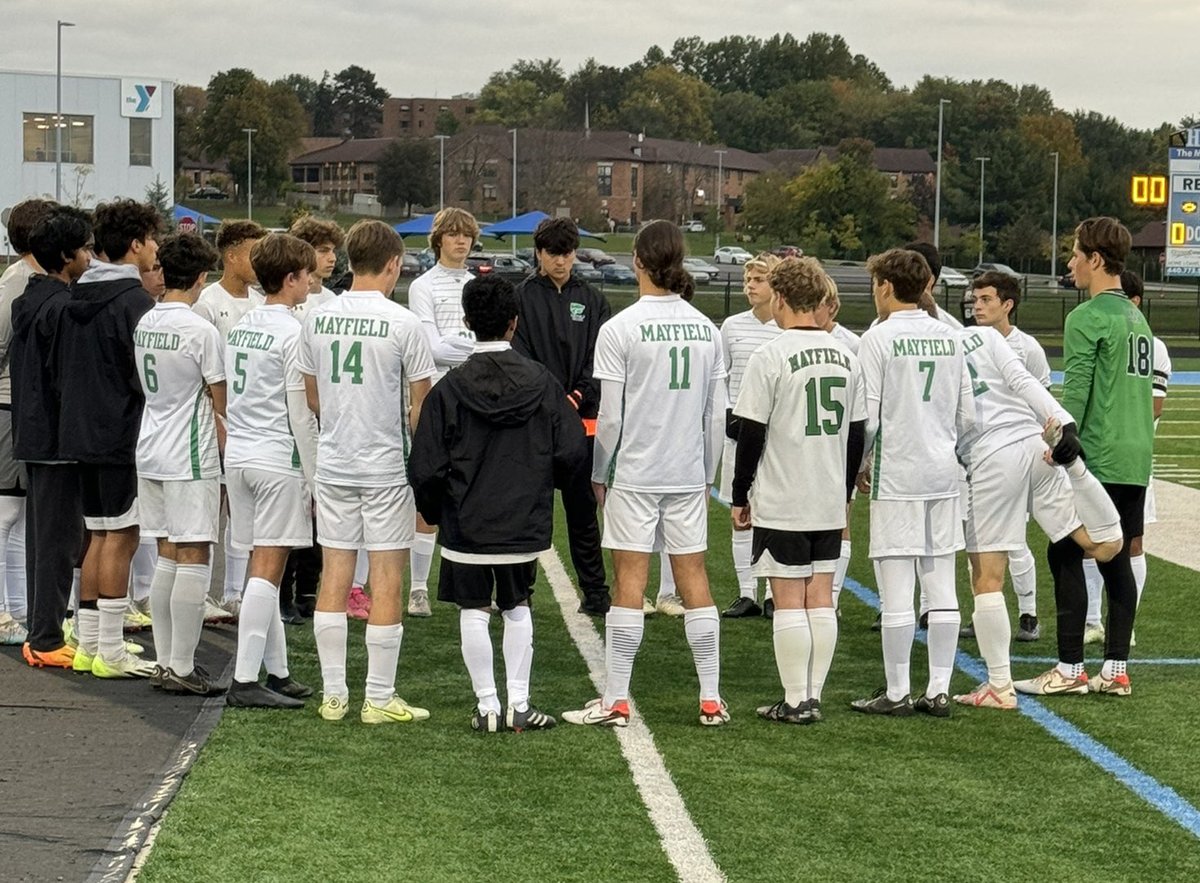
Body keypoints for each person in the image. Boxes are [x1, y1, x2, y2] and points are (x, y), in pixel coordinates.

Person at [563, 220, 727, 728]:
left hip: (635, 472)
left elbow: (609, 416)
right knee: (693, 578)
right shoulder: (707, 329)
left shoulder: (620, 328)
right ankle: (711, 699)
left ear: (637, 260)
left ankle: (616, 699)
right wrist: (706, 475)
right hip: (684, 473)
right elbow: (715, 414)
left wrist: (599, 470)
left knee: (629, 581)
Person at [410, 274, 586, 732]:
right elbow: (571, 451)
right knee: (517, 605)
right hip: (521, 521)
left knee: (472, 608)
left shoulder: (448, 389)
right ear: (514, 322)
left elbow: (424, 465)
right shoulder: (542, 382)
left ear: (467, 322)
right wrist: (548, 492)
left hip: (466, 520)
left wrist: (437, 512)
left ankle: (488, 705)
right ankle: (519, 705)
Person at [298, 219, 436, 724]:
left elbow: (311, 396)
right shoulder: (404, 323)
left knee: (335, 572)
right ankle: (377, 697)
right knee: (385, 577)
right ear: (395, 265)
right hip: (384, 467)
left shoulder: (316, 317)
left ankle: (334, 695)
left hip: (334, 461)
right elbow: (421, 405)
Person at [951, 322, 1123, 710]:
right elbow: (1024, 381)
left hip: (991, 454)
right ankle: (1077, 468)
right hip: (1035, 442)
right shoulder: (988, 336)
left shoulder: (933, 346)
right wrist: (1065, 427)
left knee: (987, 578)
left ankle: (998, 686)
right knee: (1102, 545)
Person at [1015, 218, 1152, 698]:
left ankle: (1070, 668)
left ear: (1096, 259)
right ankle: (1115, 670)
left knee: (1064, 550)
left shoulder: (1088, 316)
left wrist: (1061, 445)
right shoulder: (1137, 316)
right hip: (1137, 456)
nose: (1069, 262)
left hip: (1102, 456)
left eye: (1075, 253)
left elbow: (1077, 394)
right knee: (1115, 558)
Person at [731, 257, 865, 724]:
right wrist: (845, 492)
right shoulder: (848, 354)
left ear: (781, 299)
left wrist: (739, 494)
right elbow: (857, 434)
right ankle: (812, 696)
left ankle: (794, 701)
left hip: (784, 495)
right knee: (821, 597)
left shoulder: (770, 354)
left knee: (789, 599)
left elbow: (750, 433)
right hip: (828, 496)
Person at [850, 248, 972, 717]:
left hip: (897, 474)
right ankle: (938, 689)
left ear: (884, 286)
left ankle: (898, 691)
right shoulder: (951, 337)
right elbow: (968, 415)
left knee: (897, 588)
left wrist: (859, 465)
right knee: (941, 582)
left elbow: (871, 419)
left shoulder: (877, 339)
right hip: (943, 474)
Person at [56, 199, 160, 678]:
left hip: (78, 430)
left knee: (96, 534)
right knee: (120, 536)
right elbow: (144, 375)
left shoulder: (74, 295)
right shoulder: (134, 302)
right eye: (151, 240)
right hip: (121, 432)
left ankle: (91, 643)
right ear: (136, 244)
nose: (155, 250)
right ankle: (110, 652)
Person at [225, 233, 321, 709]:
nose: (312, 283)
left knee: (263, 568)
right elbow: (300, 412)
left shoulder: (241, 325)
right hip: (275, 456)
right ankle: (244, 680)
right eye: (308, 276)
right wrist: (316, 474)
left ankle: (277, 670)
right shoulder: (293, 332)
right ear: (290, 279)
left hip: (239, 454)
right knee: (268, 567)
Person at [133, 232, 227, 695]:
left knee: (168, 550)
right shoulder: (199, 328)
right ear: (201, 277)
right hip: (188, 451)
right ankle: (183, 666)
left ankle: (168, 663)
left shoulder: (146, 321)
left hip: (150, 444)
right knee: (194, 551)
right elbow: (221, 397)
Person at [513, 217, 612, 617]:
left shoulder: (591, 300)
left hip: (581, 426)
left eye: (568, 253)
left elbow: (602, 359)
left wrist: (579, 394)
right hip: (535, 424)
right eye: (553, 253)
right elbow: (519, 356)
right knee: (530, 511)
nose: (561, 261)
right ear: (539, 253)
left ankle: (596, 592)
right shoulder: (519, 298)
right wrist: (552, 398)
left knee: (583, 514)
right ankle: (521, 591)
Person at [10, 207, 90, 666]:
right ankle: (45, 639)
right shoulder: (61, 309)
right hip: (58, 436)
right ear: (65, 255)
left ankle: (42, 631)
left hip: (34, 432)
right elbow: (69, 379)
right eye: (83, 248)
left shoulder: (31, 297)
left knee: (44, 539)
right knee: (58, 541)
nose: (88, 255)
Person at [1082, 269, 1171, 647]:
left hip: (1126, 453)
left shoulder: (1152, 344)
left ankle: (1123, 622)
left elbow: (1153, 407)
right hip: (1116, 452)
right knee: (1089, 538)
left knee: (1132, 541)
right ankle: (1091, 621)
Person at [964, 271, 1052, 642]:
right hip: (980, 453)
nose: (977, 306)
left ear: (1007, 305)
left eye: (985, 299)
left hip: (1017, 451)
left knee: (1013, 538)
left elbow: (1042, 396)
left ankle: (1028, 613)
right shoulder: (966, 342)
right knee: (980, 540)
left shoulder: (1027, 347)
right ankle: (985, 610)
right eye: (975, 299)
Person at [405, 208, 481, 619]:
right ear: (438, 240)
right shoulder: (422, 286)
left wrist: (458, 342)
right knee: (429, 495)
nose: (460, 241)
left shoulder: (474, 284)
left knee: (470, 492)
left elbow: (482, 340)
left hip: (473, 396)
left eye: (466, 235)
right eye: (452, 234)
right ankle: (418, 588)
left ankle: (467, 582)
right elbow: (431, 347)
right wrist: (464, 342)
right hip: (435, 395)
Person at [193, 219, 267, 620]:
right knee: (211, 509)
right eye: (254, 253)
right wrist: (219, 418)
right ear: (233, 254)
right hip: (216, 420)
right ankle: (202, 592)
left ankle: (234, 592)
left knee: (244, 512)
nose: (259, 262)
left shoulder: (260, 303)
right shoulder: (207, 302)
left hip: (253, 421)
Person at [282, 217, 346, 621]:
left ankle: (309, 589)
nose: (330, 258)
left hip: (327, 417)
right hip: (290, 418)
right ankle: (285, 592)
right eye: (322, 250)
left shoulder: (337, 304)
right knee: (293, 509)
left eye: (332, 250)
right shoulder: (291, 305)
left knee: (321, 507)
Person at [0, 198, 56, 647]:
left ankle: (17, 606)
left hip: (22, 409)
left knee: (18, 515)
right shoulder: (16, 284)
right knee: (3, 514)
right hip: (6, 409)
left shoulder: (32, 281)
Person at [715, 252, 782, 620]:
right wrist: (730, 413)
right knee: (739, 511)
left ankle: (773, 592)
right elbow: (722, 376)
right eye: (748, 280)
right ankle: (746, 593)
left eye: (758, 280)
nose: (750, 286)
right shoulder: (732, 326)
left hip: (775, 436)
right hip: (738, 434)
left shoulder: (785, 328)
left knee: (771, 512)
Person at [815, 277, 860, 612]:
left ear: (831, 306)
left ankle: (830, 596)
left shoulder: (852, 344)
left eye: (819, 303)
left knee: (839, 519)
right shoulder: (793, 338)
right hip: (804, 444)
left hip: (839, 444)